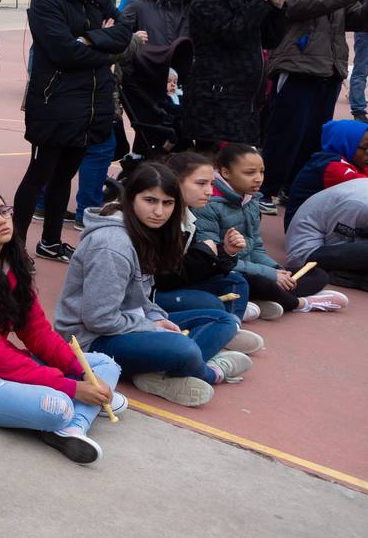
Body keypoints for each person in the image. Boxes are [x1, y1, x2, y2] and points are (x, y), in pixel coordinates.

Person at [0, 186, 125, 463]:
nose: (2, 220)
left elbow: (37, 331)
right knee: (57, 406)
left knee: (103, 366)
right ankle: (74, 416)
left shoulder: (9, 260)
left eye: (3, 211)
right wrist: (73, 388)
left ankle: (73, 428)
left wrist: (81, 373)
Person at [53, 164, 249, 408]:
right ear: (131, 197)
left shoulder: (146, 232)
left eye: (167, 203)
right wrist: (153, 327)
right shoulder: (112, 245)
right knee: (184, 349)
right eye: (150, 200)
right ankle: (210, 371)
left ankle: (154, 373)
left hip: (127, 324)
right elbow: (99, 320)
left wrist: (157, 317)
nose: (159, 211)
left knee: (223, 319)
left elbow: (143, 297)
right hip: (90, 340)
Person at [11, 0, 132, 261]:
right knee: (40, 174)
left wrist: (90, 40)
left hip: (91, 100)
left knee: (65, 174)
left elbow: (124, 32)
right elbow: (63, 51)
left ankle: (50, 241)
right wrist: (102, 43)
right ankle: (15, 248)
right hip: (55, 100)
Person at [259, 0, 368, 212]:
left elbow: (358, 20)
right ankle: (266, 190)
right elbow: (302, 6)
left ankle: (293, 188)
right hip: (297, 71)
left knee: (312, 137)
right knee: (285, 134)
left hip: (329, 73)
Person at [202, 143, 345, 315]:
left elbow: (256, 247)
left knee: (318, 274)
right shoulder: (208, 205)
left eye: (261, 172)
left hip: (253, 268)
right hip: (225, 271)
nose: (258, 178)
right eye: (249, 172)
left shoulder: (251, 200)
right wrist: (270, 275)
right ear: (225, 173)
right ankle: (300, 303)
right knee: (257, 283)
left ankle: (265, 298)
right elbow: (215, 259)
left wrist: (277, 270)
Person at [181, 0, 288, 153]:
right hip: (215, 102)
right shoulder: (206, 0)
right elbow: (233, 33)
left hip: (245, 101)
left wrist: (277, 7)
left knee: (239, 170)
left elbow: (270, 40)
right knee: (215, 167)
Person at [150, 152, 253, 324]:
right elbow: (163, 279)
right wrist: (203, 253)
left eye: (212, 184)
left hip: (174, 284)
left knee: (235, 281)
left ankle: (232, 323)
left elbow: (190, 271)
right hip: (150, 294)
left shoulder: (187, 217)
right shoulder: (158, 218)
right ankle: (223, 320)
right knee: (212, 304)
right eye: (201, 183)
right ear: (174, 182)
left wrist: (226, 251)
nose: (210, 191)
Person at [117, 0, 200, 158]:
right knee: (150, 136)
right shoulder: (139, 6)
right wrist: (132, 39)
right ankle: (139, 173)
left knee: (180, 136)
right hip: (144, 84)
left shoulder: (191, 9)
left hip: (178, 85)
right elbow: (118, 40)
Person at [284, 177, 368, 292]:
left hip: (336, 241)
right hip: (307, 253)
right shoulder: (361, 205)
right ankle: (355, 279)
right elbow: (337, 242)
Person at [283, 119, 368, 227]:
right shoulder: (332, 166)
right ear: (347, 143)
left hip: (325, 225)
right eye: (366, 147)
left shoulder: (358, 161)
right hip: (305, 231)